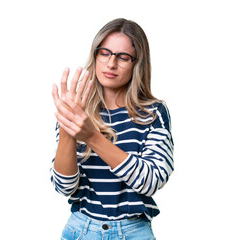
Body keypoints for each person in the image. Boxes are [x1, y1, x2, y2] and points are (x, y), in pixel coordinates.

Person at [51, 18, 174, 240]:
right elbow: (64, 187)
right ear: (95, 55)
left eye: (123, 57)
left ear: (137, 63)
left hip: (133, 232)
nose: (111, 64)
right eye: (105, 53)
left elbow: (151, 181)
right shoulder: (78, 111)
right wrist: (68, 130)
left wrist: (92, 137)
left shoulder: (153, 112)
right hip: (80, 231)